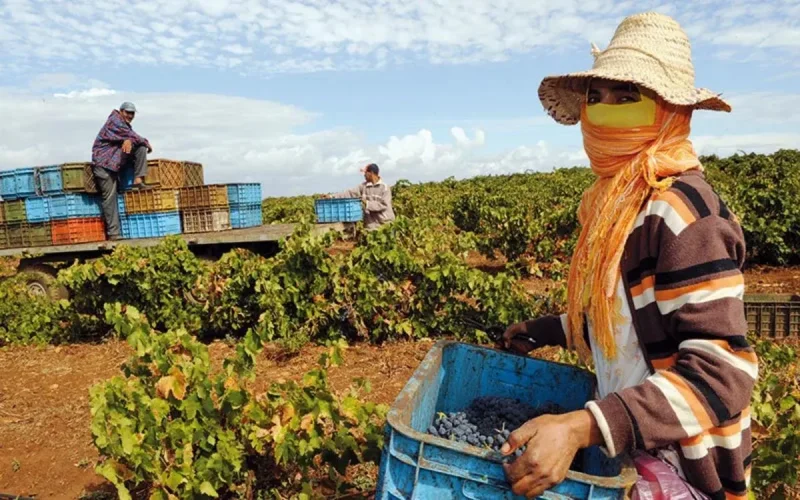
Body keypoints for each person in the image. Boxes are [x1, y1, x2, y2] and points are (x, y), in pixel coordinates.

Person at [500, 12, 756, 500]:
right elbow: (631, 318)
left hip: (679, 468)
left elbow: (723, 375)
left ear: (670, 113)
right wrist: (550, 329)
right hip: (633, 453)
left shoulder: (681, 213)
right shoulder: (619, 204)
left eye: (626, 99)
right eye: (596, 99)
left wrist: (583, 426)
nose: (604, 112)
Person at [91, 102, 153, 240]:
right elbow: (135, 136)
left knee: (140, 148)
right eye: (127, 113)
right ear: (121, 111)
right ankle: (114, 233)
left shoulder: (123, 126)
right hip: (104, 166)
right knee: (110, 198)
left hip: (114, 164)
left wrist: (129, 140)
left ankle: (138, 179)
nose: (130, 116)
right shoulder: (115, 121)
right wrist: (140, 141)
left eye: (132, 113)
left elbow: (131, 136)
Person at [327, 163, 396, 231]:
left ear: (371, 173)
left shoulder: (385, 188)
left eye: (365, 173)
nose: (364, 175)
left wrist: (367, 203)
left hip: (385, 224)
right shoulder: (363, 186)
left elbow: (384, 205)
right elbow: (349, 193)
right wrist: (331, 196)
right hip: (370, 226)